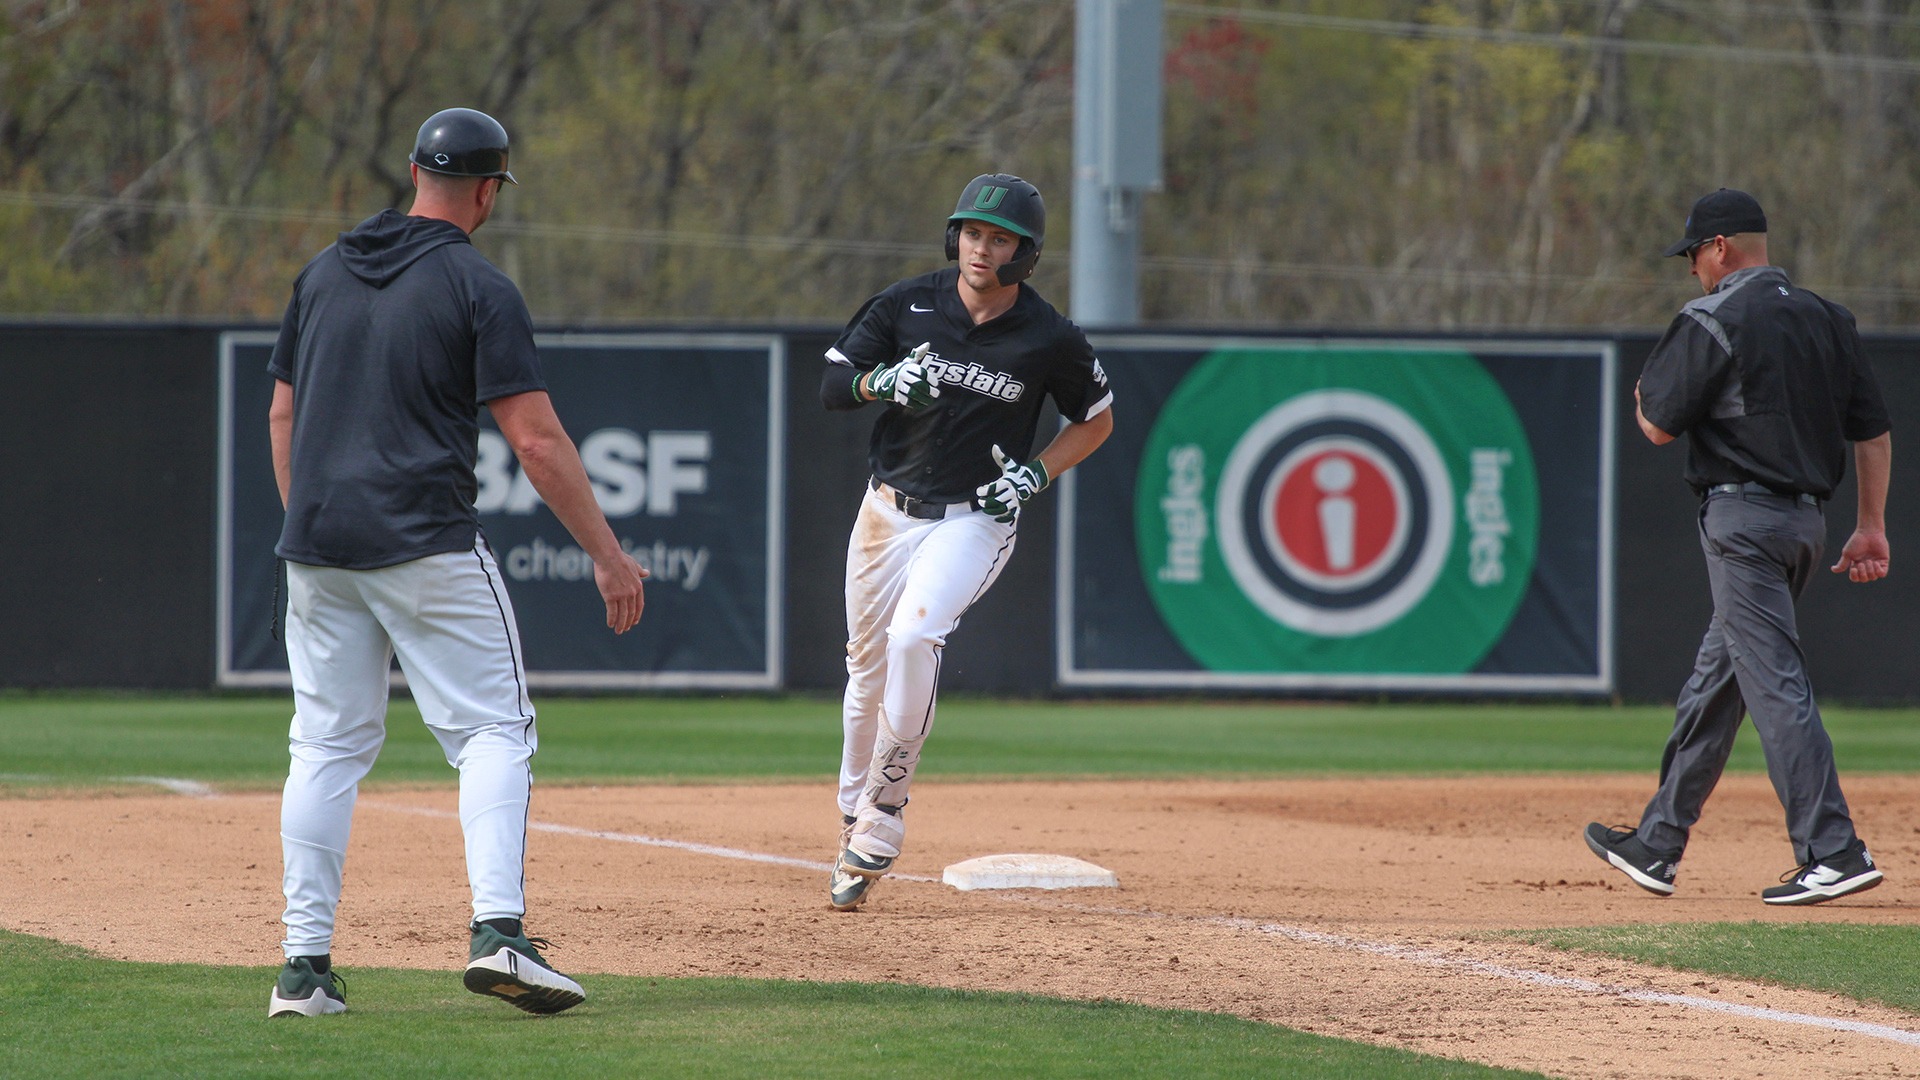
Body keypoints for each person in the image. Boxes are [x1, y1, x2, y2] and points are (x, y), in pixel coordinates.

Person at [265, 107, 649, 1017]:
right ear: (489, 190)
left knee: (323, 746)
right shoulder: (478, 285)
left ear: (412, 171)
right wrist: (607, 554)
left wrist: (315, 523)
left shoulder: (322, 272)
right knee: (493, 731)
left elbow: (281, 416)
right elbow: (537, 441)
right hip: (423, 540)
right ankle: (499, 935)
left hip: (316, 548)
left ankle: (302, 973)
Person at [1586, 188, 1891, 906]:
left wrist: (1641, 393)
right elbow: (1872, 431)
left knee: (1774, 683)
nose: (1692, 269)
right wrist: (1871, 524)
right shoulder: (1828, 319)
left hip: (1743, 525)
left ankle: (1833, 848)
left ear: (1720, 247)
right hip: (1806, 526)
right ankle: (1657, 844)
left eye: (1694, 254)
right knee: (1717, 681)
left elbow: (1657, 426)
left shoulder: (1712, 315)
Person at [819, 173, 1113, 911]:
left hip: (973, 518)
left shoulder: (1048, 336)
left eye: (999, 238)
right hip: (887, 510)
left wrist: (1037, 475)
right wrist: (883, 382)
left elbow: (1098, 419)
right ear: (956, 237)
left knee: (917, 637)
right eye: (973, 233)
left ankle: (884, 810)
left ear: (1026, 254)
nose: (982, 248)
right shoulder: (908, 302)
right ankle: (854, 816)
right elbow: (833, 384)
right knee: (866, 670)